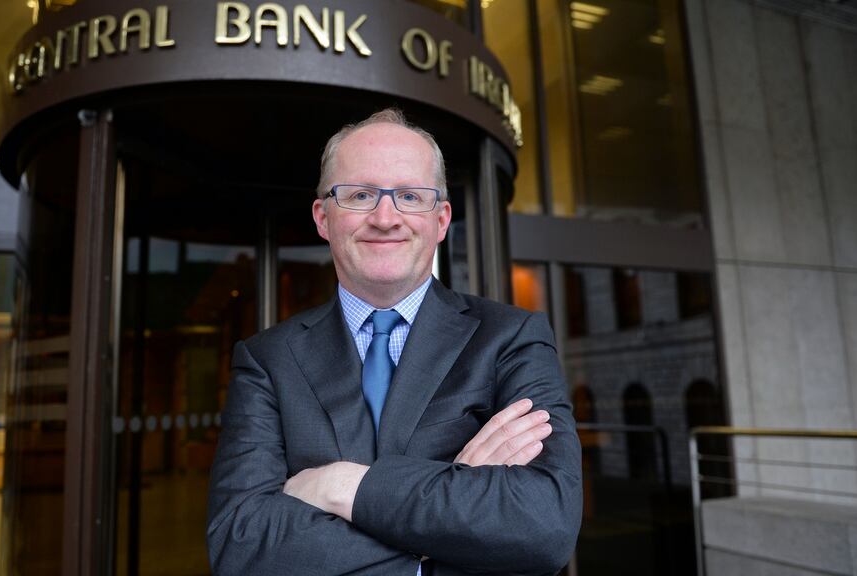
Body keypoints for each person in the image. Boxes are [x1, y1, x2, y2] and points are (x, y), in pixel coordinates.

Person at [207, 109, 581, 575]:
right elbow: (239, 543)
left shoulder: (511, 338)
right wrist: (439, 539)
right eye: (360, 195)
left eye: (409, 196)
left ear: (441, 219)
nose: (386, 218)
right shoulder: (267, 360)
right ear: (323, 217)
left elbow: (545, 526)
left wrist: (341, 486)